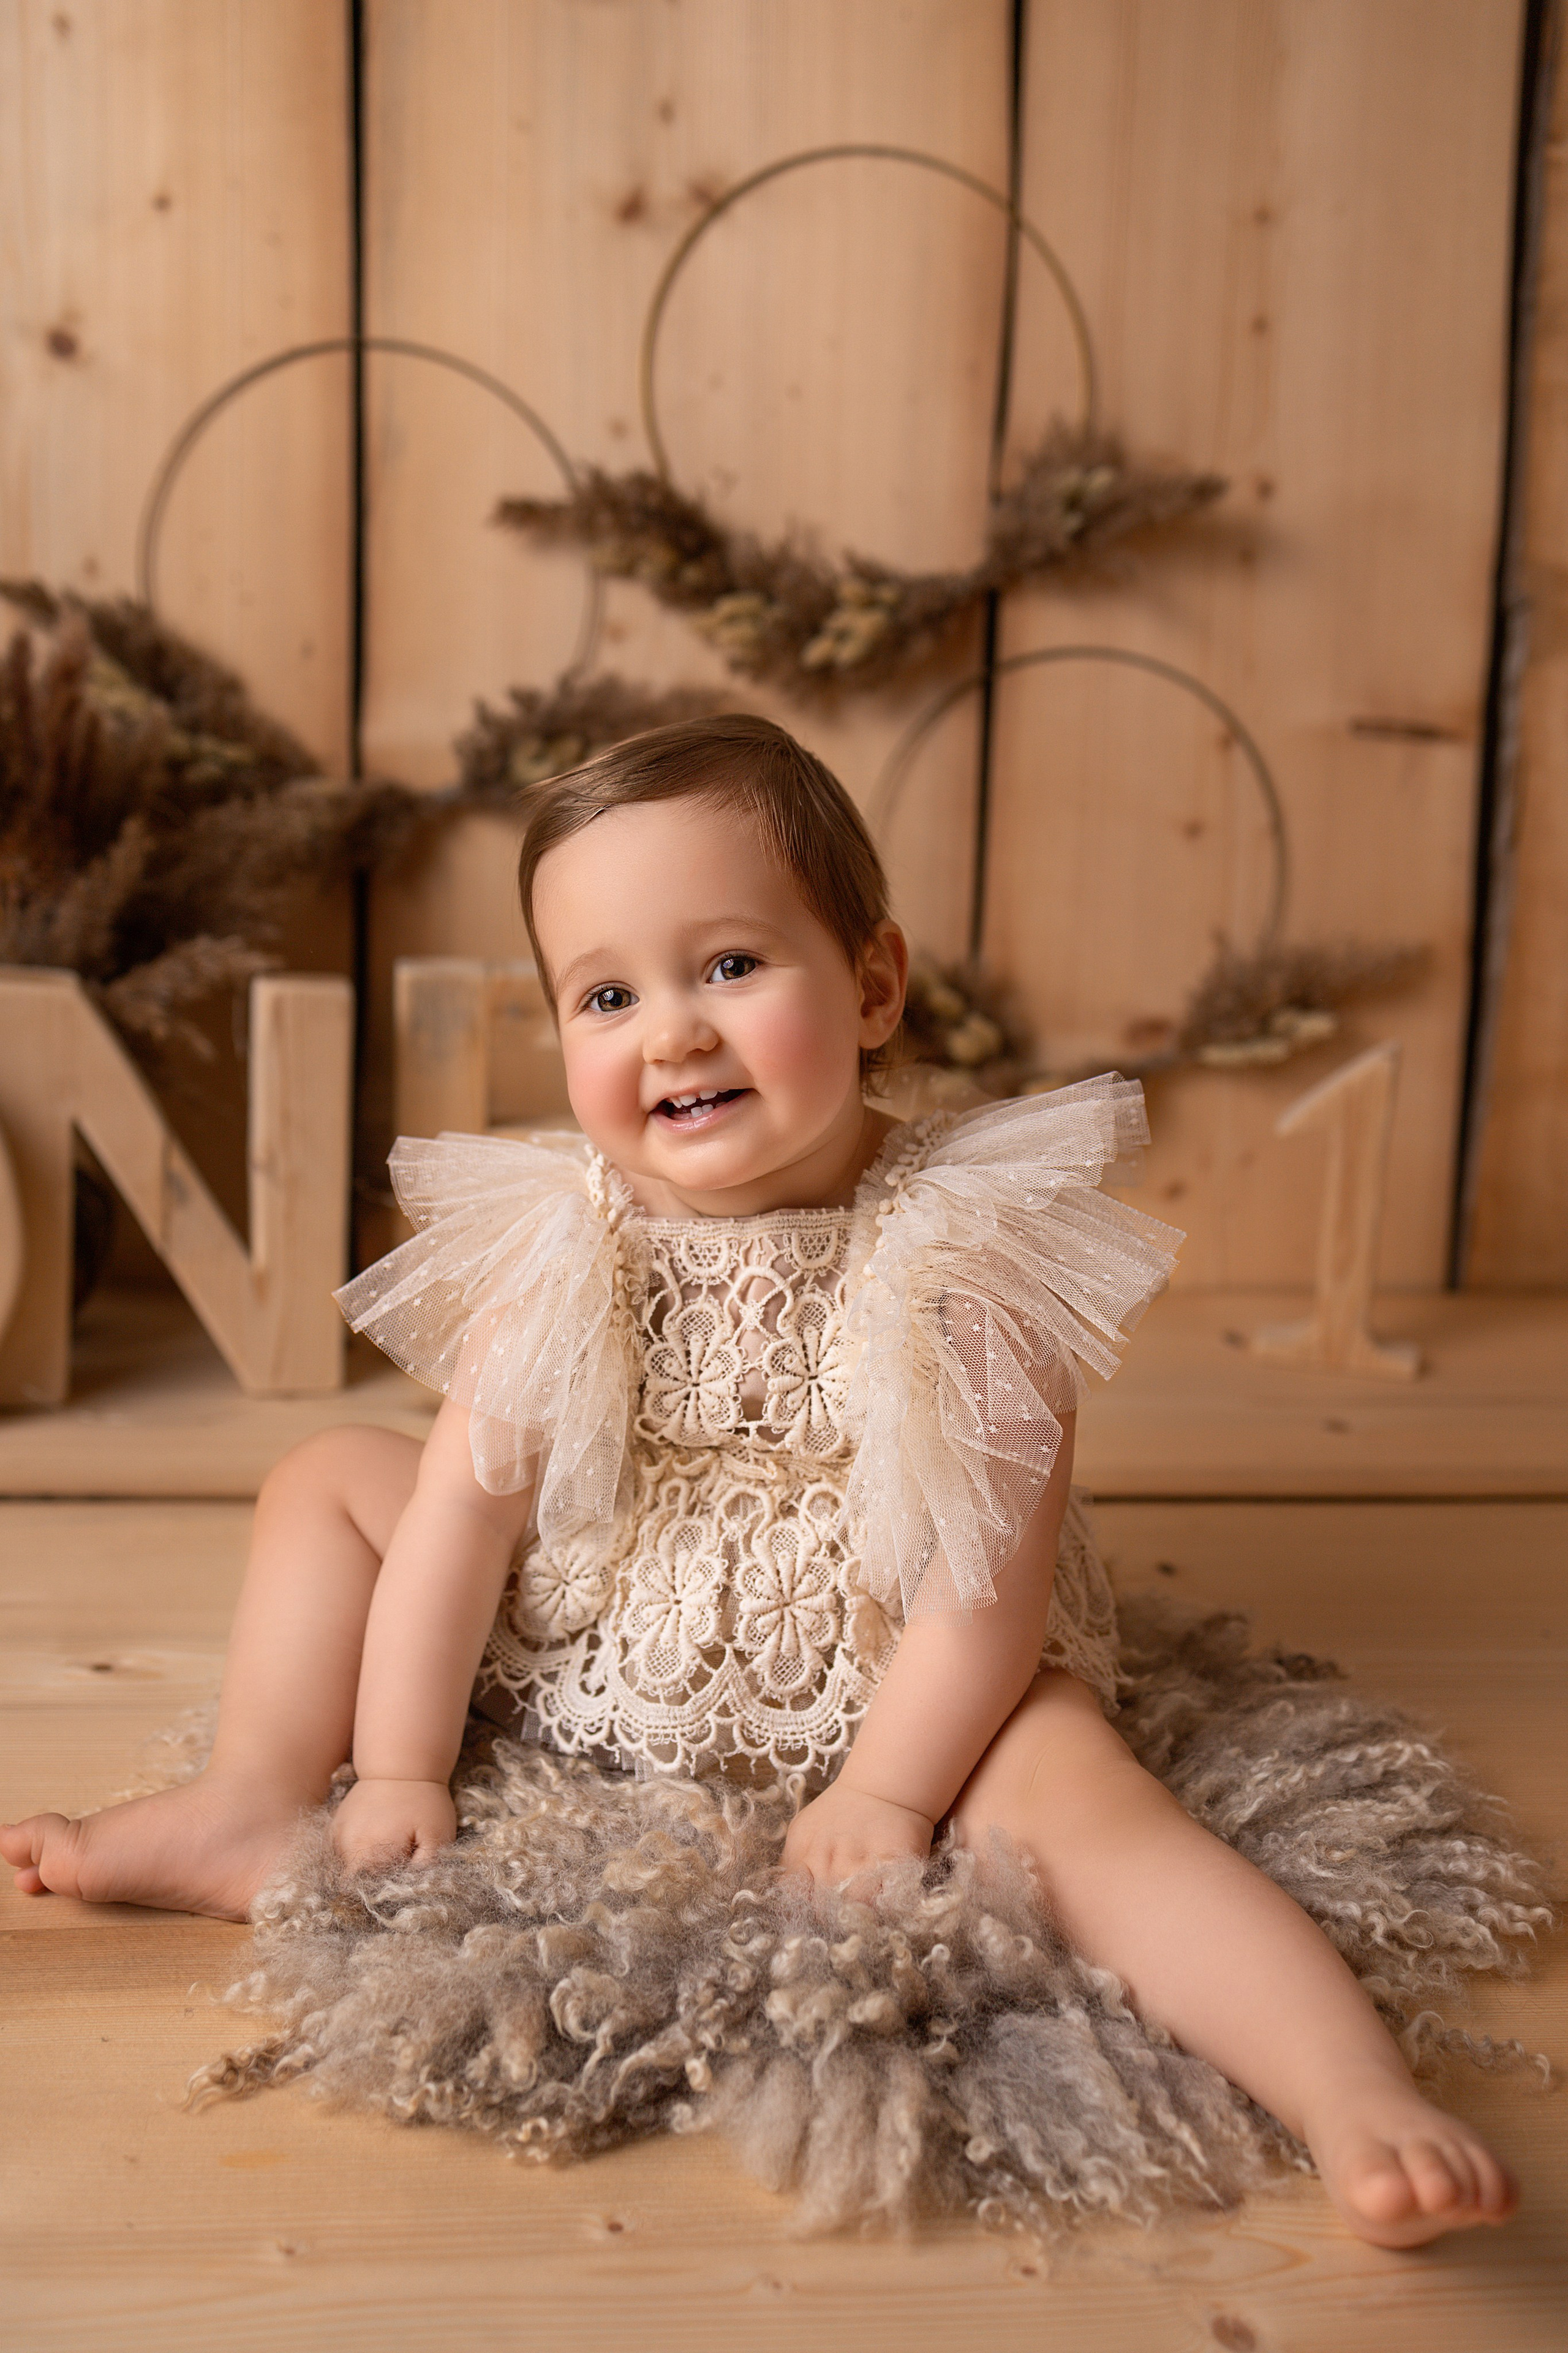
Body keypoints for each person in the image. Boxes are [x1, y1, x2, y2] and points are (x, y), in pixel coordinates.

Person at [2, 714, 1516, 2248]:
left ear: (870, 986)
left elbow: (981, 1589)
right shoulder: (561, 1233)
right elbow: (463, 1514)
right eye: (608, 995)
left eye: (728, 965)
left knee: (1086, 1799)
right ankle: (254, 1799)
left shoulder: (969, 1246)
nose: (671, 1033)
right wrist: (396, 1763)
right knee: (332, 1476)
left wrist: (886, 1791)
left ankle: (1346, 2090)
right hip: (619, 1597)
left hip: (893, 1652)